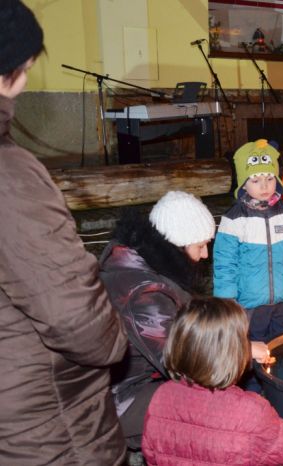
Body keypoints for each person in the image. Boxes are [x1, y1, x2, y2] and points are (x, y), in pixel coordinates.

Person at [0, 2, 129, 464]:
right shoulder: (10, 177)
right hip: (40, 418)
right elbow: (72, 314)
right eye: (26, 67)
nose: (27, 81)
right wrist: (115, 340)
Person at [100, 191, 269, 450]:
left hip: (136, 382)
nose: (204, 255)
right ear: (177, 246)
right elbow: (182, 361)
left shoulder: (146, 266)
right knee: (209, 406)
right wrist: (241, 350)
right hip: (122, 399)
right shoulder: (144, 294)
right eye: (200, 246)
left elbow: (182, 322)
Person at [142, 297, 283, 465]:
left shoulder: (162, 396)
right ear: (233, 352)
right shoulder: (250, 411)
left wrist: (245, 350)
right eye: (242, 341)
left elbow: (151, 454)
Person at [214, 139, 283, 343]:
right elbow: (224, 263)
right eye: (255, 180)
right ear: (243, 183)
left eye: (269, 178)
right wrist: (227, 299)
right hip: (249, 304)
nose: (264, 186)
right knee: (252, 351)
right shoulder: (233, 219)